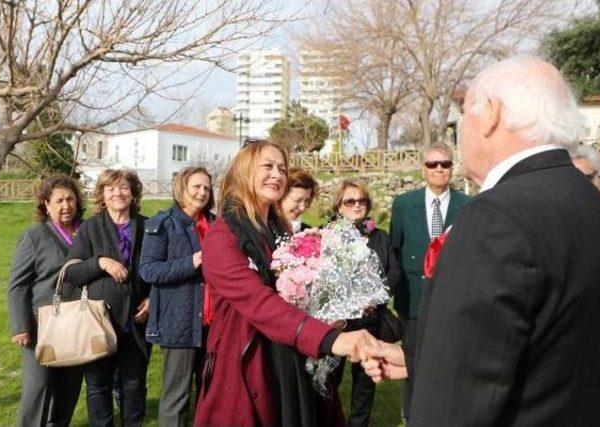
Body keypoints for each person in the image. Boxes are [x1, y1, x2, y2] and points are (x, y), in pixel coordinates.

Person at [409, 56, 600, 426]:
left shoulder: (494, 218)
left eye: (464, 114)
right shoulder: (591, 202)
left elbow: (452, 407)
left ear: (491, 114)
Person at [194, 140, 379, 427]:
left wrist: (331, 311)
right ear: (244, 171)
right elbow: (259, 302)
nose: (278, 174)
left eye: (282, 168)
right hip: (250, 368)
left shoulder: (279, 229)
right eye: (267, 166)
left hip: (292, 360)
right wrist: (331, 340)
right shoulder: (223, 237)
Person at [388, 142, 469, 420]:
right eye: (432, 164)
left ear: (452, 167)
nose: (438, 169)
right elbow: (393, 252)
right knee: (412, 364)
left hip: (453, 301)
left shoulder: (468, 205)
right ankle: (412, 417)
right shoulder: (403, 204)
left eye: (444, 164)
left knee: (450, 362)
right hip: (413, 299)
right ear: (423, 168)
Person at [64, 169, 151, 427]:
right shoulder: (91, 228)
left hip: (136, 321)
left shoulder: (148, 226)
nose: (118, 193)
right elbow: (72, 272)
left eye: (124, 187)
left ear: (133, 193)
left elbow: (157, 268)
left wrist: (153, 299)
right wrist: (101, 262)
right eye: (110, 188)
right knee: (98, 385)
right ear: (102, 194)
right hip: (99, 321)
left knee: (134, 384)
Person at [139, 167, 215, 427]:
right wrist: (192, 262)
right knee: (177, 397)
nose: (202, 192)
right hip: (179, 322)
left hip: (214, 324)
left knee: (210, 394)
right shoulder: (163, 224)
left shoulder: (216, 225)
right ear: (182, 188)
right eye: (196, 186)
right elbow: (149, 270)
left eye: (206, 187)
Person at [8, 175, 84, 427]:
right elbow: (18, 285)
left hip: (77, 324)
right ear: (46, 203)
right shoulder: (34, 236)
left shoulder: (86, 231)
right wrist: (20, 326)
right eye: (59, 200)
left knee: (69, 387)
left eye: (70, 199)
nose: (66, 205)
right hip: (41, 326)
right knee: (39, 387)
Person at [328, 179, 400, 427]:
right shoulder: (329, 236)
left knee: (365, 381)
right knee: (331, 377)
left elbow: (393, 273)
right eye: (350, 201)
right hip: (339, 320)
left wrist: (375, 298)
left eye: (362, 201)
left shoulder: (380, 236)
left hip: (371, 318)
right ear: (339, 206)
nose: (357, 205)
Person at [278, 167, 319, 232]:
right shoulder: (263, 232)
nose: (302, 207)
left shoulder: (307, 231)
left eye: (306, 201)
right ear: (280, 197)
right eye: (297, 200)